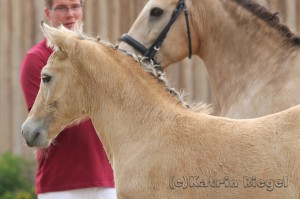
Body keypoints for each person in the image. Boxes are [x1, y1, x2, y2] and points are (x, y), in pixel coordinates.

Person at [20, 0, 116, 198]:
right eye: (62, 8)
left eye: (75, 6)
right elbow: (43, 121)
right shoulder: (37, 59)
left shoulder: (98, 56)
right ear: (48, 12)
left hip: (107, 178)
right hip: (60, 184)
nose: (70, 14)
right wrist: (99, 101)